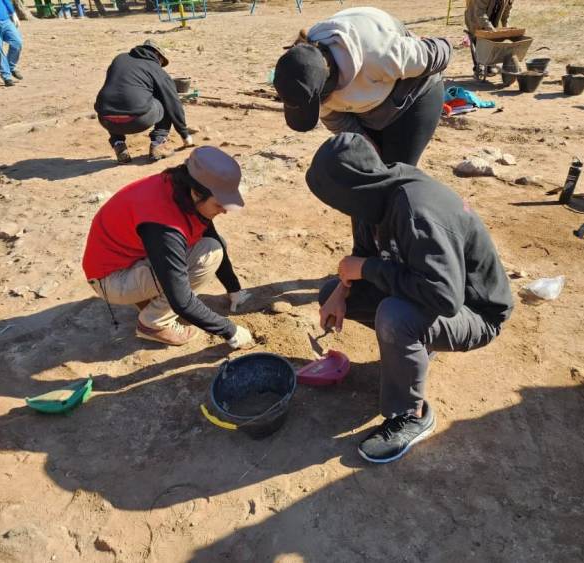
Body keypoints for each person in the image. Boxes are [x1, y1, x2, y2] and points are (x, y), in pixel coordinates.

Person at [307, 133, 514, 464]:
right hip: (434, 291)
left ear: (352, 186)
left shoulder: (417, 212)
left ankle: (412, 415)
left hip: (474, 310)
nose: (335, 206)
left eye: (334, 198)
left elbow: (444, 297)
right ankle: (417, 348)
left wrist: (368, 268)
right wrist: (341, 291)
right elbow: (366, 253)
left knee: (395, 316)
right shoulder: (369, 195)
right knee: (331, 291)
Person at [82, 146, 254, 349]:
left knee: (214, 244)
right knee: (210, 255)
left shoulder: (181, 188)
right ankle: (153, 324)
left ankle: (148, 298)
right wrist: (230, 331)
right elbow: (181, 300)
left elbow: (210, 234)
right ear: (197, 193)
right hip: (110, 280)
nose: (224, 211)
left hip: (129, 258)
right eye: (219, 205)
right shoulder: (164, 226)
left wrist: (233, 288)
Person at [273, 6, 452, 167]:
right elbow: (338, 119)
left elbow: (440, 52)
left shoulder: (381, 55)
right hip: (369, 103)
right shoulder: (303, 77)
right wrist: (368, 147)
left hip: (414, 95)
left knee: (396, 171)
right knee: (368, 167)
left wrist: (426, 44)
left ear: (328, 86)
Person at [95, 40, 194, 164]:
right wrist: (184, 134)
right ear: (157, 55)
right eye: (161, 61)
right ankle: (158, 144)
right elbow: (173, 102)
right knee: (165, 100)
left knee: (114, 102)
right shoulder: (154, 67)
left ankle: (118, 144)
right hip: (137, 120)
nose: (160, 64)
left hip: (106, 119)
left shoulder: (119, 59)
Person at [465, 0, 515, 79]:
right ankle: (478, 67)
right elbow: (479, 13)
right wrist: (491, 29)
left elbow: (506, 11)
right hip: (474, 19)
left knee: (492, 41)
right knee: (479, 42)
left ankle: (489, 66)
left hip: (491, 19)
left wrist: (507, 29)